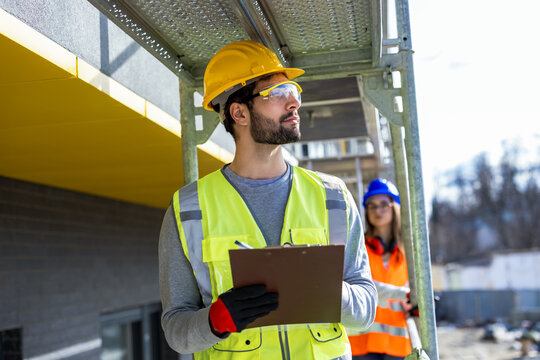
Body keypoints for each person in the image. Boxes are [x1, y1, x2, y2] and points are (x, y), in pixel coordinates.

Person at [158, 40, 377, 360]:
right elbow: (176, 329)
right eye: (276, 94)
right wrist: (214, 322)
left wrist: (331, 292)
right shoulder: (189, 210)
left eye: (294, 91)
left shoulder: (333, 197)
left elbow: (367, 309)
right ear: (239, 112)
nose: (294, 103)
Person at [347, 178, 413, 359]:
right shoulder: (358, 247)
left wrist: (415, 304)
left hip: (396, 345)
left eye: (384, 204)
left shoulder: (408, 251)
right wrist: (404, 294)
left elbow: (414, 289)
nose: (377, 210)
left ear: (395, 207)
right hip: (361, 344)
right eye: (371, 205)